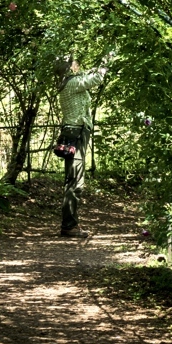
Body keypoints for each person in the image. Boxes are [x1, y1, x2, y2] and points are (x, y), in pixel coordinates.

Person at [53, 54, 108, 238]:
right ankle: (69, 225)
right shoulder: (72, 83)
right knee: (75, 180)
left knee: (73, 178)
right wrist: (107, 57)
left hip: (72, 132)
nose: (77, 64)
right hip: (75, 134)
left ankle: (70, 223)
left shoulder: (67, 82)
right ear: (69, 67)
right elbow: (98, 78)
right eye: (74, 62)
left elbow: (88, 75)